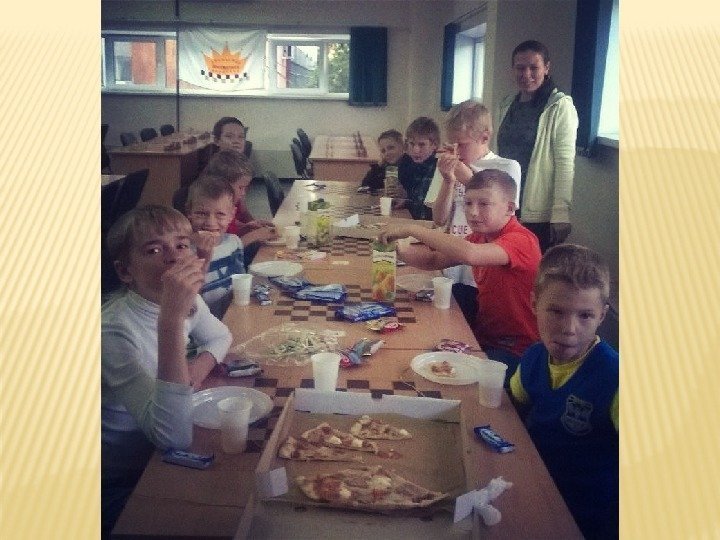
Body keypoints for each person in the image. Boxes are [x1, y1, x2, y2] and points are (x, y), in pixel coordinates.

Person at [101, 205, 232, 536]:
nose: (173, 258)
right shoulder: (113, 331)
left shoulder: (183, 300)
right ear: (125, 271)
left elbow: (220, 336)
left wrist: (196, 369)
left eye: (181, 245)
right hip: (122, 479)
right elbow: (173, 437)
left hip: (158, 455)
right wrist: (172, 319)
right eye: (154, 250)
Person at [378, 169, 541, 381]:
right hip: (485, 336)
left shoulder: (521, 240)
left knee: (430, 373)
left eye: (484, 204)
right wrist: (398, 249)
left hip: (517, 350)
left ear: (509, 208)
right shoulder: (480, 237)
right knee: (416, 343)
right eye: (468, 203)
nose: (472, 212)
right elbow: (433, 260)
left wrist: (413, 229)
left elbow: (470, 254)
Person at [509, 244, 618, 539]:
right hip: (531, 492)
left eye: (585, 316)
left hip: (587, 518)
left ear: (602, 316)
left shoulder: (616, 379)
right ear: (534, 303)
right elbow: (511, 416)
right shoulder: (533, 358)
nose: (569, 328)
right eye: (556, 311)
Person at [423, 100, 521, 327]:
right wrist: (448, 180)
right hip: (450, 265)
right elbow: (439, 218)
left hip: (484, 270)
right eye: (451, 144)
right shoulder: (450, 165)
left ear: (484, 137)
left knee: (479, 328)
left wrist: (462, 172)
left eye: (462, 144)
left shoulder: (506, 167)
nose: (455, 152)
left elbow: (494, 201)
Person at [496, 40, 579, 252]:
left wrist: (561, 212)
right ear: (513, 69)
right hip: (504, 204)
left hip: (537, 213)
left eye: (534, 67)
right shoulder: (507, 104)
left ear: (546, 68)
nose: (527, 74)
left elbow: (564, 163)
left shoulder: (559, 105)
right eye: (520, 67)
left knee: (532, 267)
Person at [185, 176, 271, 318]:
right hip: (203, 323)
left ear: (231, 215)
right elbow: (187, 302)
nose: (210, 223)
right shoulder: (183, 252)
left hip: (236, 316)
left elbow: (240, 284)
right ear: (189, 213)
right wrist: (202, 257)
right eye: (201, 213)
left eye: (220, 214)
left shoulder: (234, 242)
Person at [397, 117, 440, 220]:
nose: (416, 150)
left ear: (434, 145)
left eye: (422, 145)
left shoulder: (438, 169)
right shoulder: (410, 165)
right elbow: (418, 200)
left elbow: (428, 211)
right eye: (412, 144)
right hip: (415, 222)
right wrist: (407, 202)